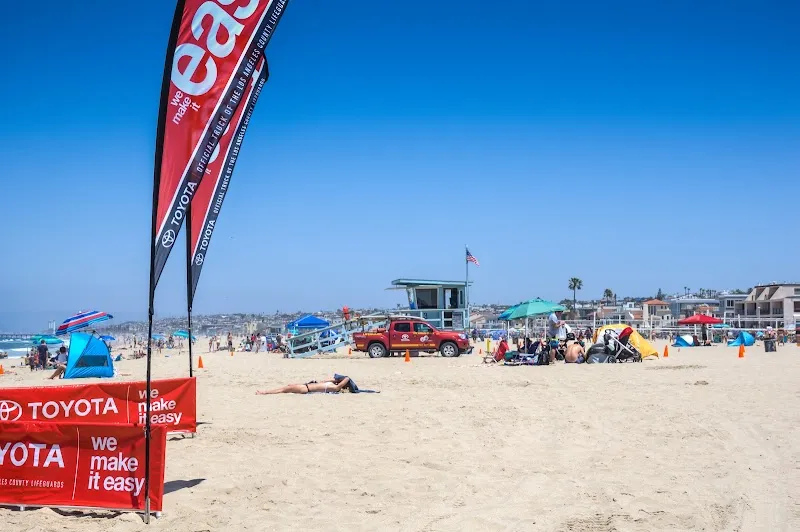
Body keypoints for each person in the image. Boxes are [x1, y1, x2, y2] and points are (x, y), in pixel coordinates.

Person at [256, 375, 351, 395]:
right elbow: (324, 380)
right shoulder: (330, 384)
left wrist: (346, 378)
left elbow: (338, 386)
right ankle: (265, 392)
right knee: (286, 388)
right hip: (305, 386)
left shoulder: (334, 388)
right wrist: (337, 379)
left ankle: (264, 392)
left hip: (305, 388)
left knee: (283, 389)